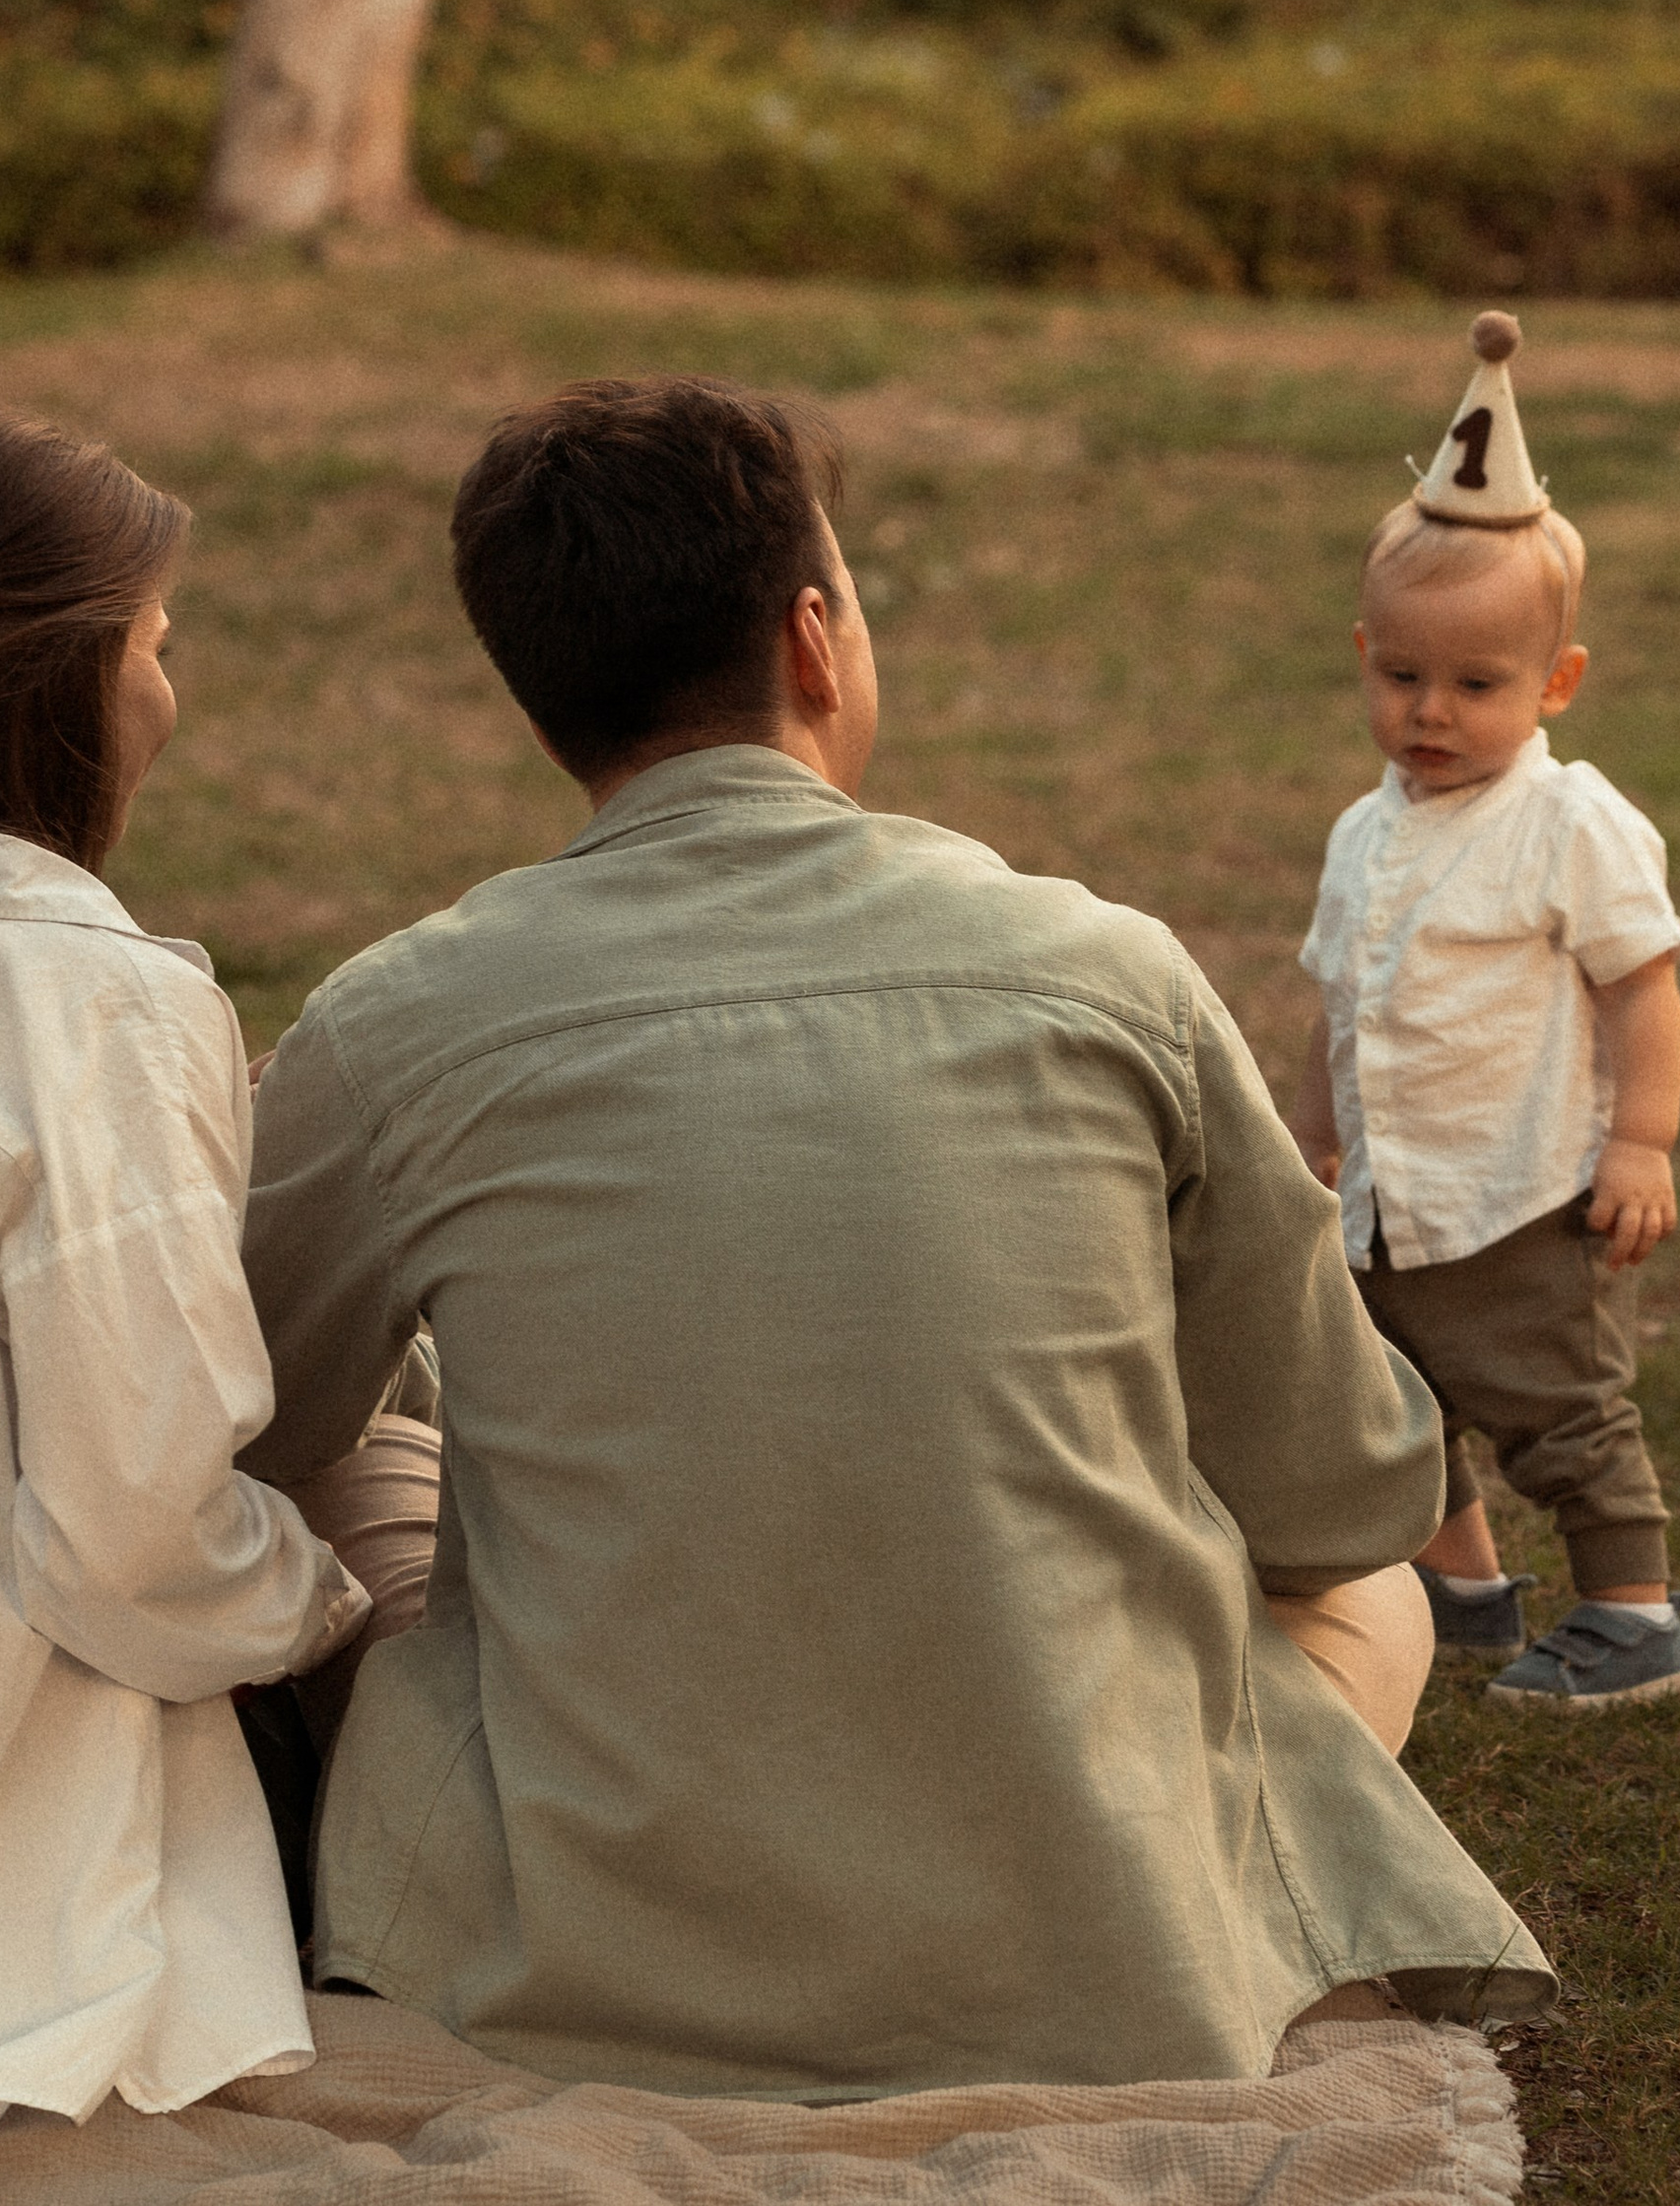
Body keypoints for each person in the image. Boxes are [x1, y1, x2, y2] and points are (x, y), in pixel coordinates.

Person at [236, 375, 1553, 2103]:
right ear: (814, 637)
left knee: (371, 1487)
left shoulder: (389, 1023)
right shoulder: (1111, 976)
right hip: (1101, 1946)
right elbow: (1347, 1491)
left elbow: (242, 1422)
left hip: (578, 1954)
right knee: (1371, 1590)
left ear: (542, 697)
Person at [0, 419, 371, 2123]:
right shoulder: (82, 1002)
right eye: (156, 646)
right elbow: (135, 1534)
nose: (171, 696)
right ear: (61, 684)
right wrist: (330, 1599)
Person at [1291, 314, 1680, 1711]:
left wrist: (1640, 1143)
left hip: (1519, 1190)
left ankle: (1633, 1614)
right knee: (1394, 1400)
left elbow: (1643, 983)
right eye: (1401, 675)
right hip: (1392, 1198)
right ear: (1364, 655)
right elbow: (1339, 997)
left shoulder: (1567, 822)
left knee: (1559, 1404)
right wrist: (1317, 1135)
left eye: (1476, 685)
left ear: (1556, 683)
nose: (1431, 711)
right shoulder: (1365, 831)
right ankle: (1454, 1586)